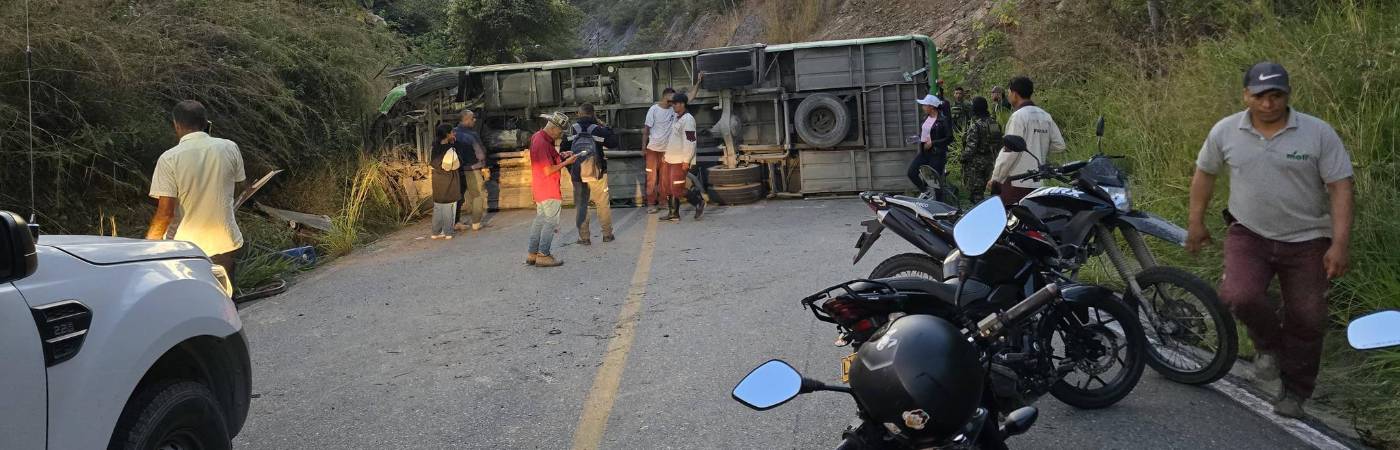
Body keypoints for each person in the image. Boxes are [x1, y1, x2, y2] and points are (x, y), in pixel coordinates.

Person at [1187, 61, 1354, 419]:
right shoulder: (1226, 131)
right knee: (1239, 295)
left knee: (1308, 317)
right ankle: (1269, 347)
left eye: (1276, 95)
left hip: (1309, 238)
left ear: (1287, 96)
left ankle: (1295, 391)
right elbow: (1205, 174)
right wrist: (1196, 222)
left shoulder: (1317, 133)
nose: (1268, 104)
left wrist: (1339, 243)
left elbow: (1340, 186)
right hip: (1249, 233)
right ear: (1246, 95)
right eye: (1260, 96)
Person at [146, 100, 246, 288]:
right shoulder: (230, 147)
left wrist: (150, 248)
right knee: (227, 299)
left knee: (196, 301)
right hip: (225, 241)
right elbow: (240, 185)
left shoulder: (169, 159)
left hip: (187, 249)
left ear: (177, 125)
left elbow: (165, 213)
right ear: (205, 122)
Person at [989, 76, 1065, 206]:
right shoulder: (1045, 116)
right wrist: (1039, 146)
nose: (1008, 96)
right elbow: (1060, 145)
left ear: (1014, 94)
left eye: (1008, 93)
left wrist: (996, 178)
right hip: (1038, 183)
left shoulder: (1018, 116)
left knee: (1010, 221)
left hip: (1016, 182)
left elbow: (1009, 152)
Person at [526, 112, 577, 267]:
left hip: (539, 187)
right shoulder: (543, 143)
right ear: (553, 128)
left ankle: (532, 254)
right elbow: (548, 170)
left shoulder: (538, 137)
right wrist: (567, 162)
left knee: (540, 220)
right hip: (549, 188)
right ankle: (544, 254)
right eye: (560, 132)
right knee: (550, 222)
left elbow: (548, 159)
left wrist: (561, 155)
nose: (560, 135)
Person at [565, 103, 620, 244]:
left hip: (577, 173)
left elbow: (563, 152)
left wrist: (572, 171)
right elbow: (614, 143)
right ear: (593, 113)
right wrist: (606, 127)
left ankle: (584, 238)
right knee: (602, 203)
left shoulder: (572, 130)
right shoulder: (598, 129)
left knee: (582, 205)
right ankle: (607, 235)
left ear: (579, 114)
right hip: (597, 172)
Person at [662, 93, 706, 222]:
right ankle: (673, 213)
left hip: (680, 160)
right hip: (670, 159)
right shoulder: (677, 118)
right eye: (672, 103)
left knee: (677, 188)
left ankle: (698, 202)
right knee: (668, 187)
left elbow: (690, 141)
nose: (673, 106)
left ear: (682, 104)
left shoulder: (688, 120)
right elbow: (673, 139)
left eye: (675, 103)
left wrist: (686, 160)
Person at [908, 94, 952, 201]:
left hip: (937, 154)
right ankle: (925, 191)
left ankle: (940, 205)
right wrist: (917, 137)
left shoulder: (943, 120)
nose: (922, 107)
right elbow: (926, 133)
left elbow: (950, 138)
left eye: (924, 105)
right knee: (911, 172)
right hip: (925, 153)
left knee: (935, 182)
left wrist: (933, 143)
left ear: (931, 107)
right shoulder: (926, 118)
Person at [960, 97, 1002, 203]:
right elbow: (999, 143)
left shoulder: (975, 126)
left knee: (976, 195)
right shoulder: (994, 124)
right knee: (994, 193)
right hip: (992, 161)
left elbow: (970, 148)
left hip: (976, 165)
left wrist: (962, 159)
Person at [642, 88, 677, 213]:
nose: (674, 99)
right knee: (651, 178)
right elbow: (646, 129)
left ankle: (663, 202)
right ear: (665, 96)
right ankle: (651, 204)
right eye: (672, 96)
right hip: (652, 149)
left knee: (665, 178)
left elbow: (689, 97)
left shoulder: (673, 110)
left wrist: (698, 83)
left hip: (666, 151)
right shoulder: (654, 109)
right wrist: (643, 148)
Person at [454, 109, 488, 231]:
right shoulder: (471, 135)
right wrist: (483, 163)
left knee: (458, 196)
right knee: (478, 195)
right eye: (472, 118)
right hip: (472, 169)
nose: (474, 120)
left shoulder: (453, 133)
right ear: (466, 120)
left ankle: (455, 221)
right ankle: (476, 222)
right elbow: (480, 154)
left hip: (456, 170)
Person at [429, 124, 462, 240]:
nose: (454, 134)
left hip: (437, 179)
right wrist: (454, 144)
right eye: (452, 132)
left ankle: (435, 232)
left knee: (438, 206)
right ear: (447, 134)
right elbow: (455, 165)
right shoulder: (450, 149)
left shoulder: (434, 147)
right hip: (449, 179)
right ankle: (448, 232)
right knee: (449, 206)